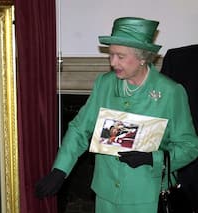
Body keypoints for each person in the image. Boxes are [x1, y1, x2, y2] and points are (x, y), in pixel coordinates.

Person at [36, 17, 198, 213]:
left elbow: (189, 146)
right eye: (111, 55)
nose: (113, 63)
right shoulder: (104, 84)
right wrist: (60, 169)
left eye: (120, 56)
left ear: (142, 58)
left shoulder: (170, 92)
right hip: (106, 195)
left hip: (147, 195)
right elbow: (80, 128)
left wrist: (152, 159)